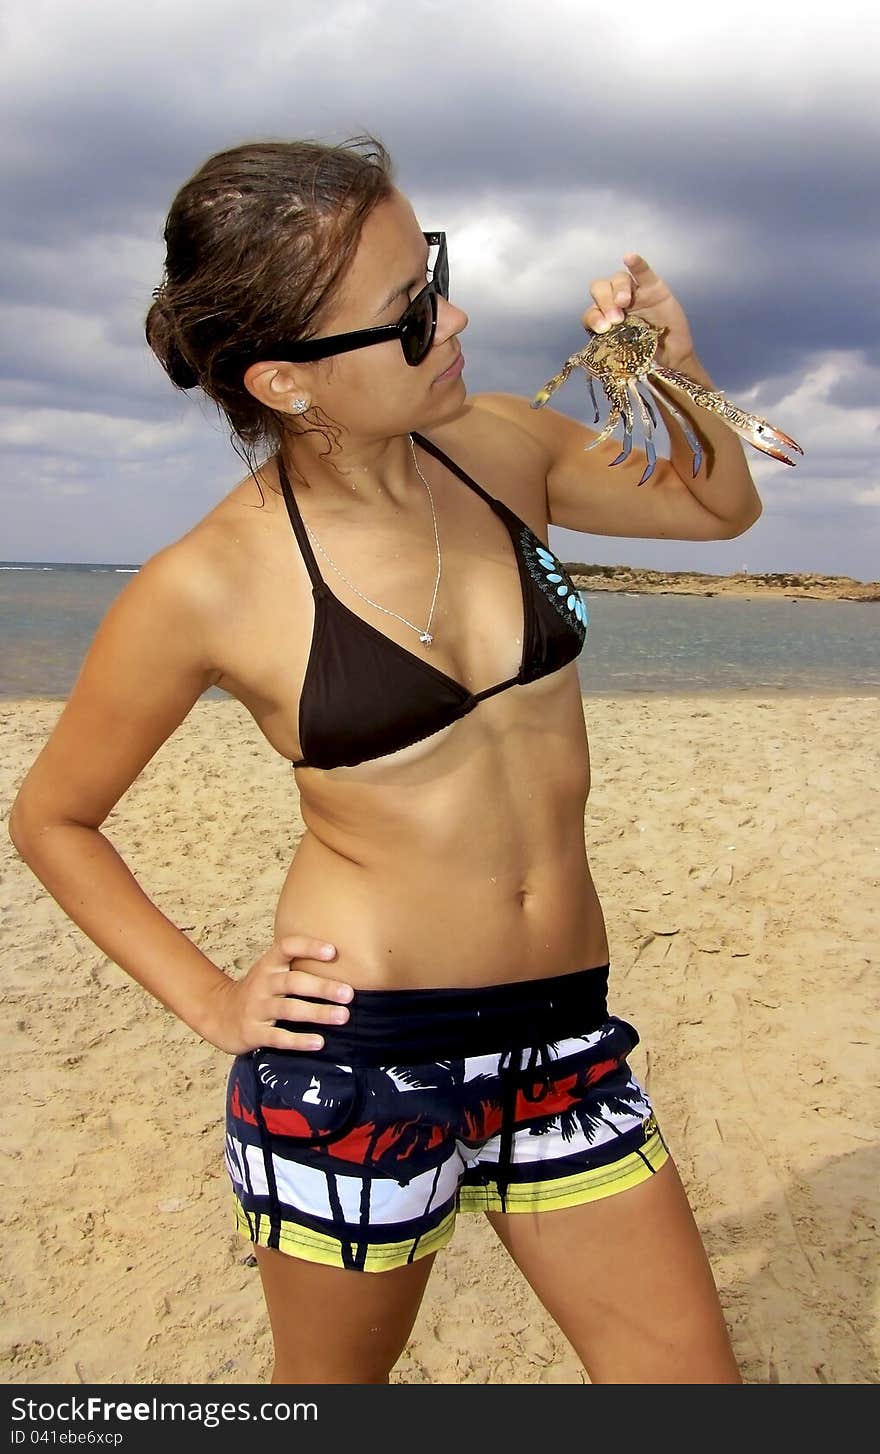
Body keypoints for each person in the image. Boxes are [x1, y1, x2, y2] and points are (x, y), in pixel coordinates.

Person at [8, 135, 762, 1385]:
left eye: (436, 272)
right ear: (287, 381)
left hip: (564, 1041)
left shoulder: (505, 446)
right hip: (355, 1066)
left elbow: (715, 507)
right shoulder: (207, 583)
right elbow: (55, 818)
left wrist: (671, 370)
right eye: (408, 311)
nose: (453, 313)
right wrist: (211, 999)